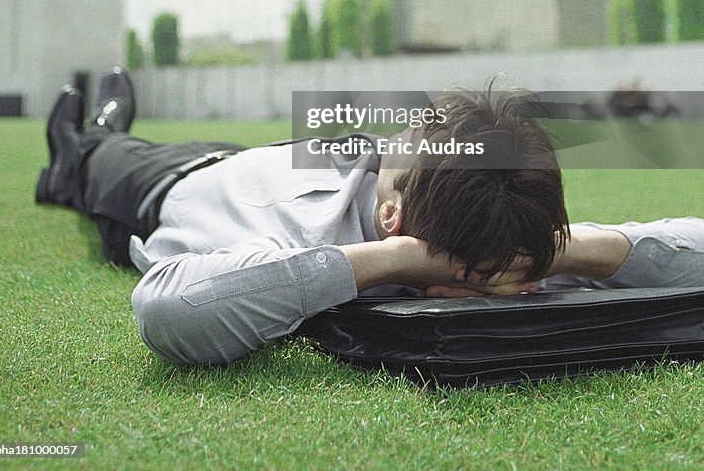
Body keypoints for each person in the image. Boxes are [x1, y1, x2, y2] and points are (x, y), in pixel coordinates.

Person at [35, 69, 704, 366]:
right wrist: (405, 258)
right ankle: (85, 144)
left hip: (186, 180)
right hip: (201, 174)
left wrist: (574, 247)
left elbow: (171, 314)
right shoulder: (423, 213)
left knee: (102, 160)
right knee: (100, 158)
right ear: (393, 219)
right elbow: (166, 313)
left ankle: (84, 147)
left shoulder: (497, 224)